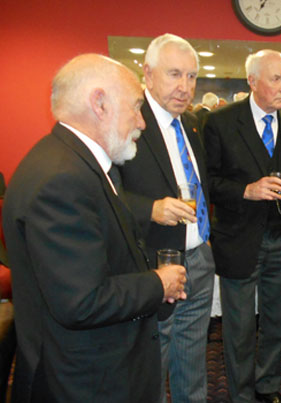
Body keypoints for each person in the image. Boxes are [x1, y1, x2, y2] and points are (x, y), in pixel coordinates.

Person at [5, 53, 187, 402]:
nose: (142, 122)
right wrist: (157, 282)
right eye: (135, 107)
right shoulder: (62, 179)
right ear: (99, 103)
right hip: (84, 381)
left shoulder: (78, 163)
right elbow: (82, 301)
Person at [203, 49, 281, 403]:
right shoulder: (221, 123)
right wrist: (246, 190)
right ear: (252, 81)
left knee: (276, 322)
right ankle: (241, 394)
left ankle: (267, 385)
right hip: (240, 240)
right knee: (239, 328)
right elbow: (207, 182)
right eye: (276, 79)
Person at [114, 33, 216, 403]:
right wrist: (151, 209)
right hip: (153, 261)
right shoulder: (128, 121)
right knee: (151, 361)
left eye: (191, 77)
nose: (184, 86)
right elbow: (102, 193)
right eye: (174, 74)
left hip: (199, 256)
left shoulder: (190, 124)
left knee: (192, 358)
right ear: (148, 73)